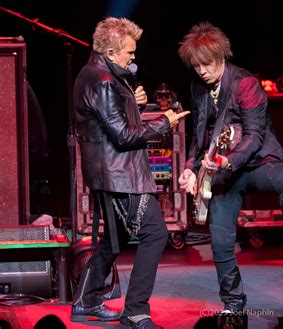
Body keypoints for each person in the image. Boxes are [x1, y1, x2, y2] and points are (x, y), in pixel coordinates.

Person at [177, 22, 283, 316]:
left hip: (255, 163)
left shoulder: (245, 84)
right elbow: (200, 133)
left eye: (206, 64)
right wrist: (191, 168)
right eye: (196, 66)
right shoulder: (198, 87)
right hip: (222, 173)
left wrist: (229, 160)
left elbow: (255, 134)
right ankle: (233, 304)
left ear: (221, 57)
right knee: (220, 239)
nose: (202, 71)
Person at [70, 17, 189, 329]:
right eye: (130, 53)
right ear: (111, 52)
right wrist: (165, 122)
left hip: (109, 171)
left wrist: (132, 99)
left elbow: (113, 119)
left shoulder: (99, 75)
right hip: (119, 174)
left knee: (113, 240)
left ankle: (86, 301)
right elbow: (123, 135)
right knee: (155, 234)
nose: (134, 59)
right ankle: (136, 311)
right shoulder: (104, 81)